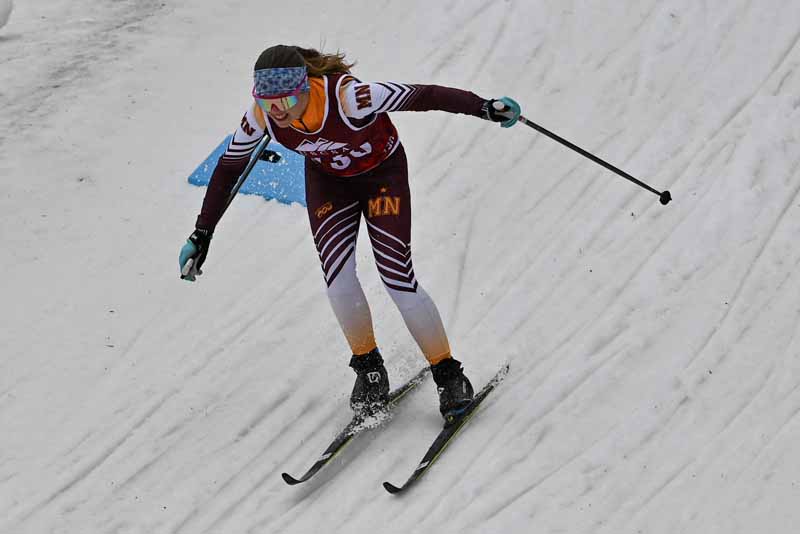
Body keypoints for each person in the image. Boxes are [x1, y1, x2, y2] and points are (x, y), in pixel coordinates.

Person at [179, 45, 520, 422]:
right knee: (338, 281)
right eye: (267, 100)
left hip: (381, 178)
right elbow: (229, 167)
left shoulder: (349, 98)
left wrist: (485, 107)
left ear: (305, 86)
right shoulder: (262, 115)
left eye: (286, 99)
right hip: (330, 185)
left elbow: (426, 95)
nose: (278, 110)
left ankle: (449, 375)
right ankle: (369, 370)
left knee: (396, 277)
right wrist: (201, 233)